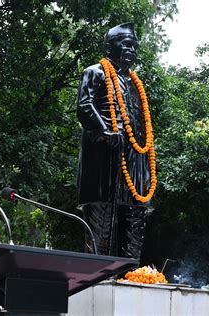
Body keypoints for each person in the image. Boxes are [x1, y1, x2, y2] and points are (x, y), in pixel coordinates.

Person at [76, 23, 157, 258]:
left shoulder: (135, 83)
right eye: (126, 44)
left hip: (135, 159)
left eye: (134, 46)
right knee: (101, 219)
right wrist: (104, 131)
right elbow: (84, 106)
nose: (131, 50)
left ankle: (131, 275)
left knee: (135, 216)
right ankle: (98, 278)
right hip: (105, 157)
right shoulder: (95, 72)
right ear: (110, 47)